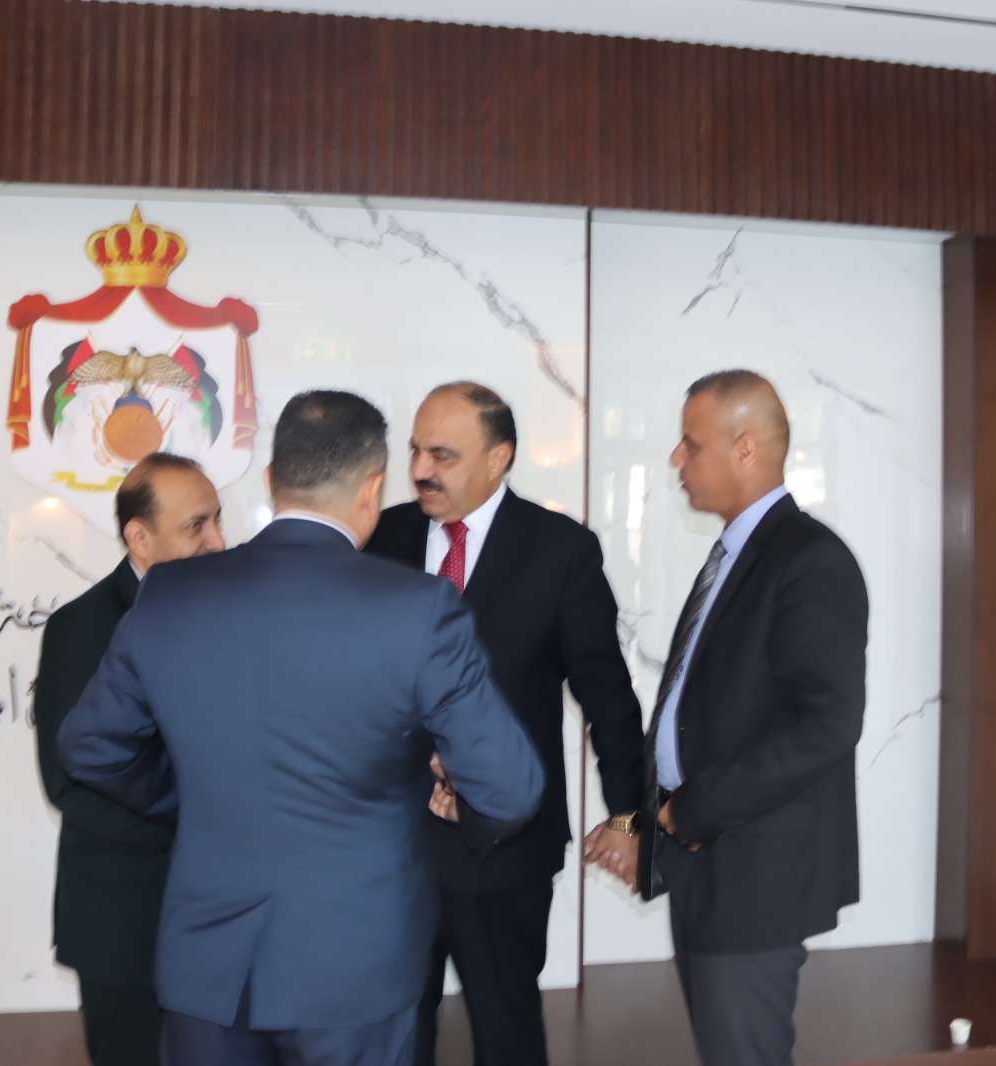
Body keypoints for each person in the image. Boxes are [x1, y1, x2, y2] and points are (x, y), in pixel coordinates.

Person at [58, 389, 545, 1066]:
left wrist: (188, 798)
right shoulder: (419, 609)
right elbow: (512, 788)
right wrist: (458, 803)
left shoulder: (168, 594)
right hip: (354, 967)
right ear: (371, 490)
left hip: (208, 966)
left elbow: (88, 746)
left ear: (270, 479)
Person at [364, 381, 645, 1066]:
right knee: (388, 1036)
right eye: (415, 451)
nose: (420, 470)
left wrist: (627, 815)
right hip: (389, 847)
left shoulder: (560, 550)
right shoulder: (381, 537)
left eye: (443, 455)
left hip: (503, 849)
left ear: (500, 458)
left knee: (506, 1031)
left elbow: (607, 694)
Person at [593, 370, 868, 1065]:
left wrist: (687, 812)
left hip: (754, 873)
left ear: (746, 448)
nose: (675, 459)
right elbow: (696, 710)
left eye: (691, 443)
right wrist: (648, 821)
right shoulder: (737, 554)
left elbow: (825, 726)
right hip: (703, 859)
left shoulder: (809, 559)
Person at [34, 452, 226, 1066]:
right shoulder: (82, 629)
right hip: (126, 924)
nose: (218, 541)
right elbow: (68, 784)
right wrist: (200, 824)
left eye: (217, 519)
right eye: (196, 526)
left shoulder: (232, 618)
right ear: (139, 537)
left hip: (223, 922)